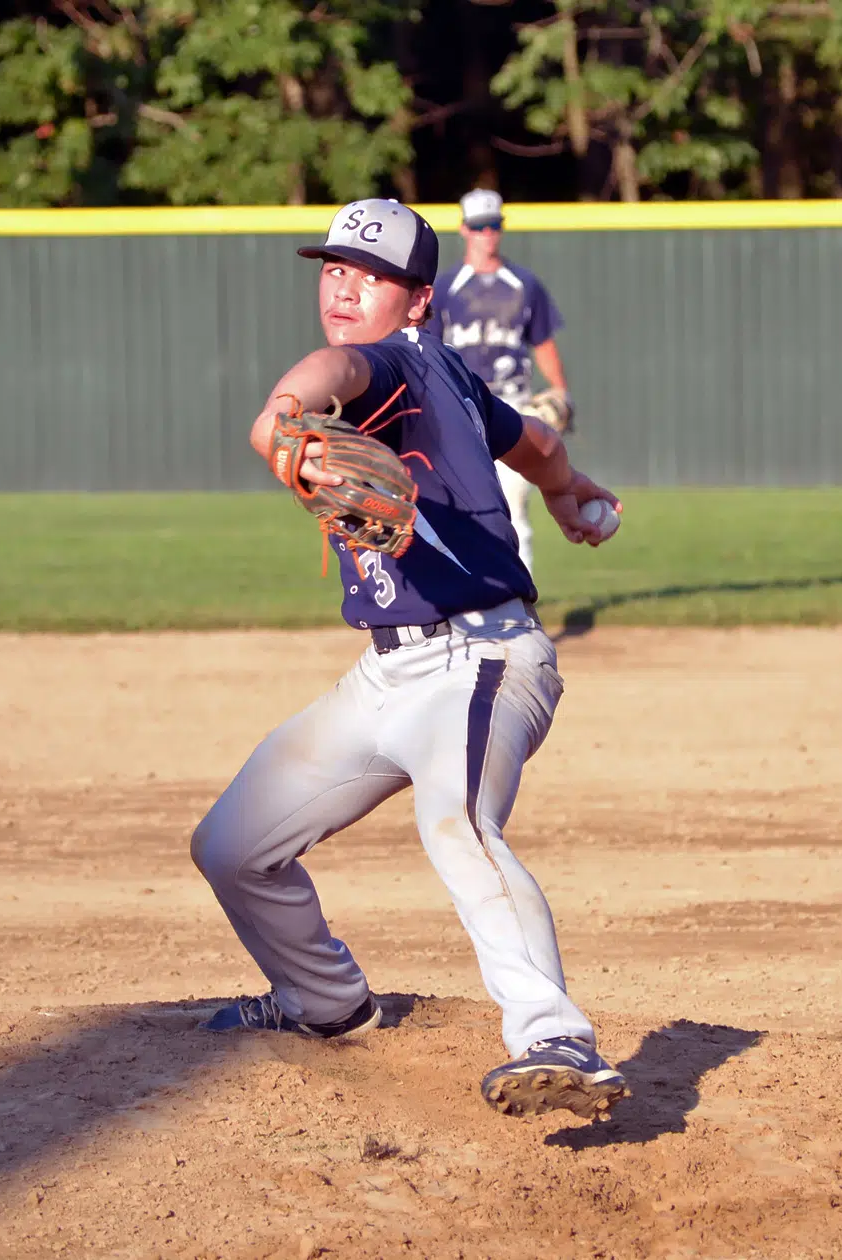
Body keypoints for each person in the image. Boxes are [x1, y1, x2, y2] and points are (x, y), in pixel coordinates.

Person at [190, 198, 629, 1122]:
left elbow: (336, 369)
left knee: (459, 824)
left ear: (418, 300)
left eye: (371, 275)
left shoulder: (387, 365)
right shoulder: (451, 378)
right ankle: (325, 1003)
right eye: (334, 268)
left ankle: (556, 1035)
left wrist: (283, 416)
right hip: (386, 677)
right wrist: (565, 490)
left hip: (483, 659)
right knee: (232, 847)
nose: (345, 285)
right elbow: (538, 442)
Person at [431, 188, 572, 574]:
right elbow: (426, 348)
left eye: (493, 226)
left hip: (512, 406)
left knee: (512, 504)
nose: (486, 234)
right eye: (478, 227)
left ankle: (520, 601)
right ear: (463, 230)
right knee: (454, 508)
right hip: (457, 408)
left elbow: (541, 342)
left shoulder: (524, 284)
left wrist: (560, 389)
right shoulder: (445, 288)